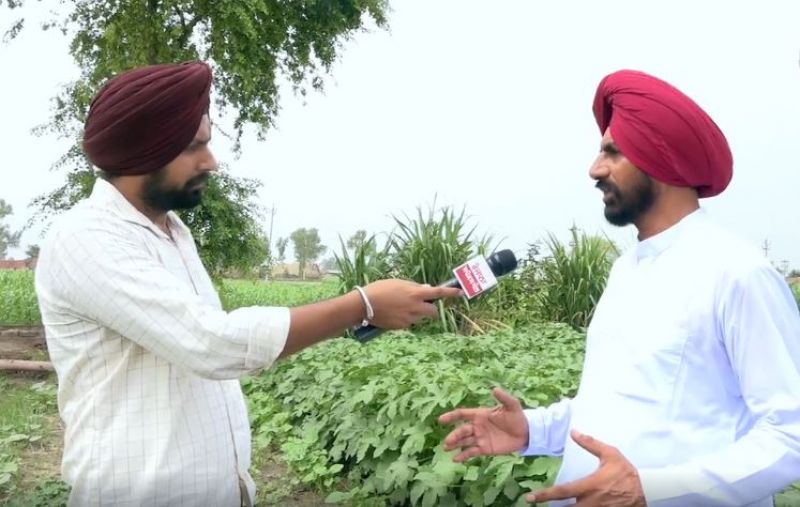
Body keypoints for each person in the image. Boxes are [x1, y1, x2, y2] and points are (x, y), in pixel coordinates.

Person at [34, 61, 462, 507]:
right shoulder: (86, 237)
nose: (211, 162)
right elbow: (211, 344)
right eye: (194, 147)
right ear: (144, 150)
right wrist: (362, 305)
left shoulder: (172, 232)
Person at [438, 69, 800, 506]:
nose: (595, 169)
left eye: (612, 151)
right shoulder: (626, 270)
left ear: (661, 159)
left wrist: (650, 489)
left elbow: (789, 435)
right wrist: (532, 429)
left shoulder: (738, 273)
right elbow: (613, 406)